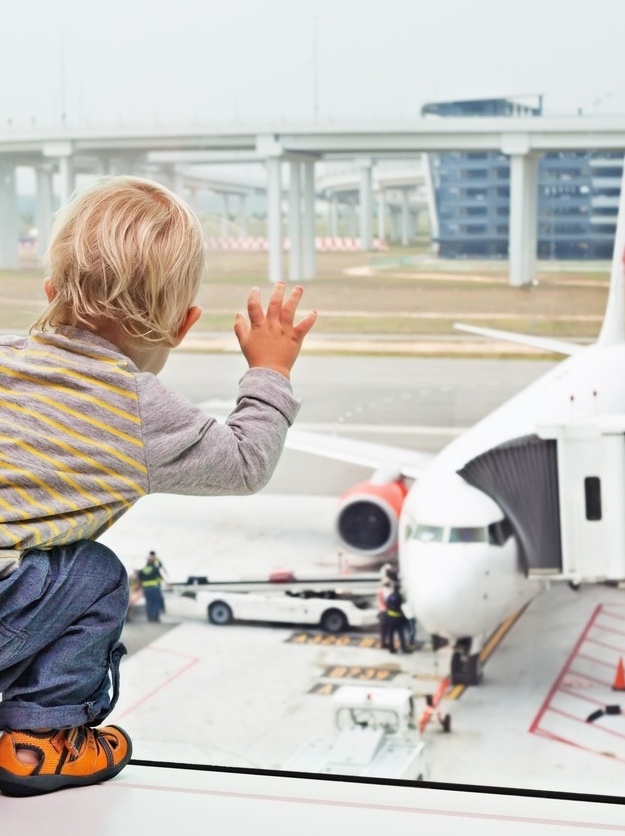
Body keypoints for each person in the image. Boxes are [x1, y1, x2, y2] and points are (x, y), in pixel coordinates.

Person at [0, 175, 317, 798]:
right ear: (184, 324)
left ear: (50, 291)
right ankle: (42, 739)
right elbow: (246, 462)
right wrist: (270, 370)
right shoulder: (134, 407)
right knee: (96, 577)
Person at [136, 551, 168, 622]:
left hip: (146, 589)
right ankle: (156, 618)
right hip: (155, 588)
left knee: (149, 603)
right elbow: (160, 576)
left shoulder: (143, 570)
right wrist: (166, 583)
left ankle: (150, 618)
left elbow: (139, 581)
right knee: (157, 602)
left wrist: (139, 589)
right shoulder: (155, 568)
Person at [385, 582, 411, 654]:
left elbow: (387, 604)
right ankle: (403, 648)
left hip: (390, 618)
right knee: (401, 634)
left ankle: (391, 649)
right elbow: (403, 607)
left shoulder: (390, 596)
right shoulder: (400, 596)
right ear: (399, 589)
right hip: (398, 618)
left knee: (391, 634)